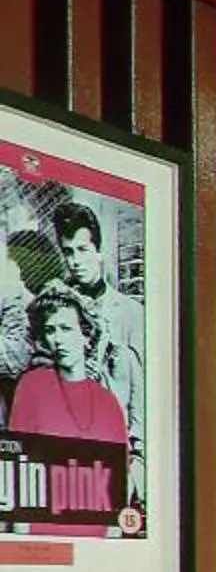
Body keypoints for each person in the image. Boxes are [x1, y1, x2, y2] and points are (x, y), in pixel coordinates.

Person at [49, 201, 146, 504]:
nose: (75, 261)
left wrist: (139, 462)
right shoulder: (55, 311)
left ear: (99, 251)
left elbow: (142, 395)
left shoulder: (131, 313)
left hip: (120, 454)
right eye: (68, 252)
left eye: (83, 250)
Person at [5, 286, 130, 446]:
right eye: (50, 330)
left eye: (66, 329)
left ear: (85, 334)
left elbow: (117, 465)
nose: (58, 339)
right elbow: (19, 456)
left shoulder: (107, 402)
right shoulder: (32, 386)